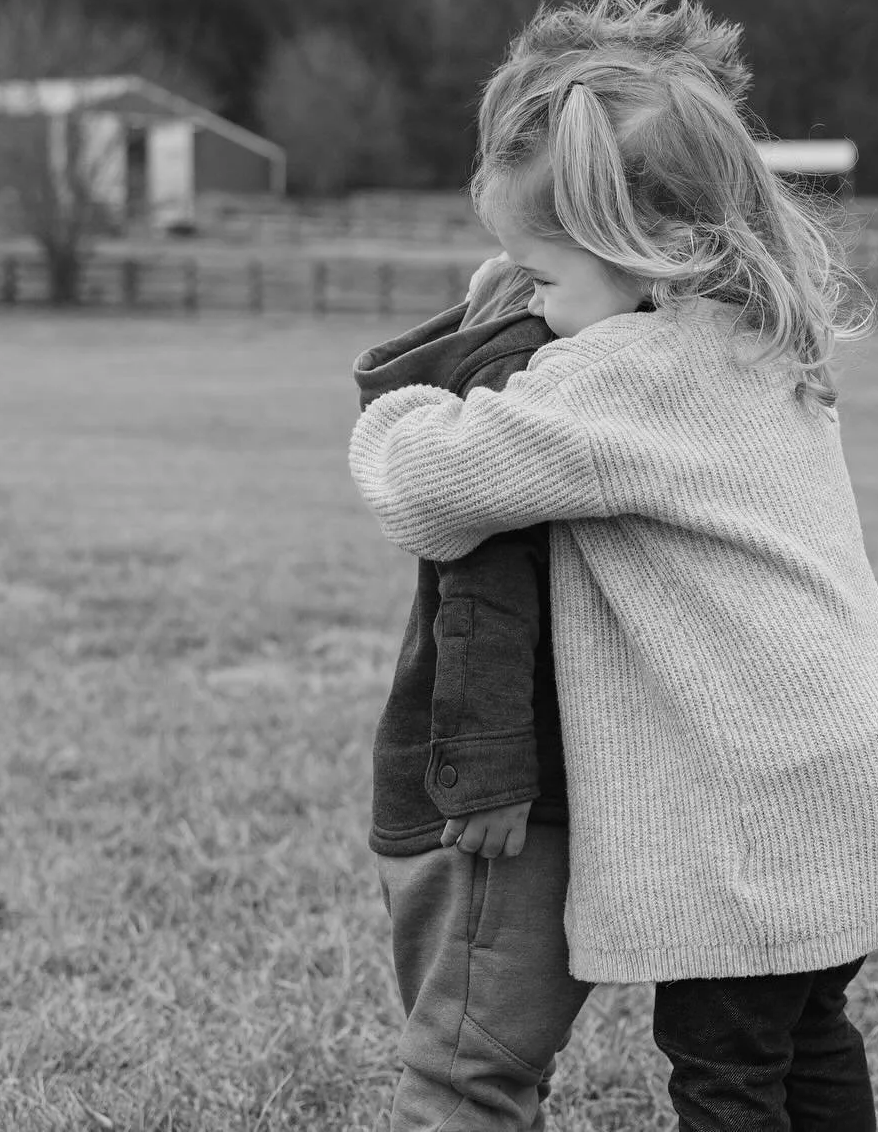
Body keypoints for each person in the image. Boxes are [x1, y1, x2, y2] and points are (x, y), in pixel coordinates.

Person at [349, 0, 878, 1132]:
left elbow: (425, 487)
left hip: (760, 817)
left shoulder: (624, 372)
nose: (527, 297)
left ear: (646, 247)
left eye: (542, 272)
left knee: (724, 1069)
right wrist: (543, 289)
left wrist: (407, 401)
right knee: (806, 1034)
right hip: (858, 775)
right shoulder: (760, 336)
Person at [357, 256, 590, 1131]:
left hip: (482, 802)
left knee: (496, 1053)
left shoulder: (518, 375)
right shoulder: (519, 388)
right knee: (470, 1067)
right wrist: (491, 774)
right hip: (493, 818)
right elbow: (484, 600)